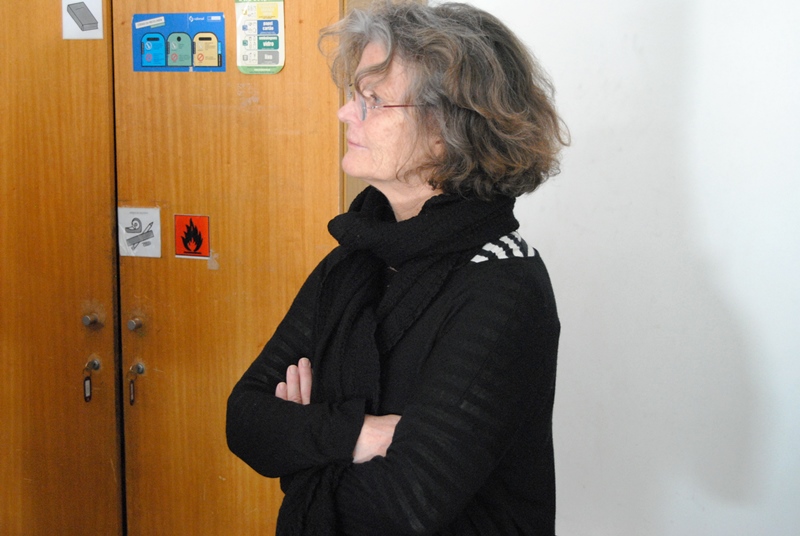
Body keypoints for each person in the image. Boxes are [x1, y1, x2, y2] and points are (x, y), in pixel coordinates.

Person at [226, 1, 568, 534]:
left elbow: (403, 506)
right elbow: (246, 420)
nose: (346, 113)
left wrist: (303, 454)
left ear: (448, 129)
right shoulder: (354, 259)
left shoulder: (503, 284)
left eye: (373, 101)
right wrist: (357, 434)